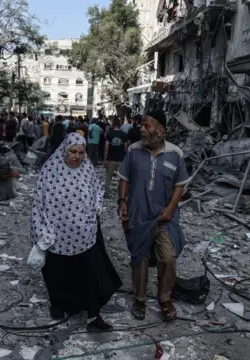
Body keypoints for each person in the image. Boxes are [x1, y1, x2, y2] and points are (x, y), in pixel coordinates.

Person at [31, 133, 122, 331]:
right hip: (56, 237)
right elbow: (38, 203)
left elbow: (98, 190)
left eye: (81, 152)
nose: (77, 156)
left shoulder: (87, 169)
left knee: (88, 274)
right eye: (73, 151)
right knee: (57, 274)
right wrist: (40, 231)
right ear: (65, 150)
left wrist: (96, 208)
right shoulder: (50, 171)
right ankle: (59, 304)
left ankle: (93, 317)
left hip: (84, 235)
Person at [118, 110, 189, 322]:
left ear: (160, 130)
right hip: (138, 216)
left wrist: (170, 209)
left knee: (167, 257)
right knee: (139, 259)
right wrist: (122, 202)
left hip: (163, 218)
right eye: (142, 125)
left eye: (147, 126)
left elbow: (180, 185)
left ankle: (165, 299)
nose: (142, 129)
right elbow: (124, 178)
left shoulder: (175, 154)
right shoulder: (133, 150)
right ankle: (139, 299)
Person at [104, 117, 128, 194]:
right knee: (121, 178)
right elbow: (125, 148)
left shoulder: (109, 134)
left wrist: (105, 159)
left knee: (108, 177)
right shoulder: (124, 135)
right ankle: (121, 193)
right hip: (121, 159)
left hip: (110, 158)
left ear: (113, 125)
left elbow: (106, 148)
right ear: (120, 125)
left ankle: (107, 192)